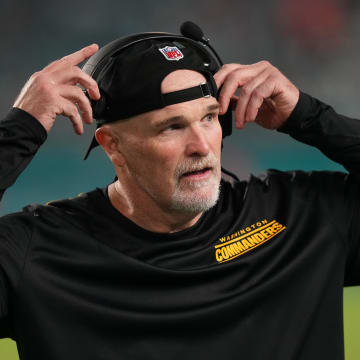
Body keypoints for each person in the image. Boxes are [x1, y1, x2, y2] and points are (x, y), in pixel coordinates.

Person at [0, 34, 358, 360]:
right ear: (113, 147)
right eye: (171, 127)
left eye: (209, 118)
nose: (201, 146)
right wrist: (20, 129)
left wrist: (310, 116)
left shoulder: (301, 217)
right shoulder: (38, 254)